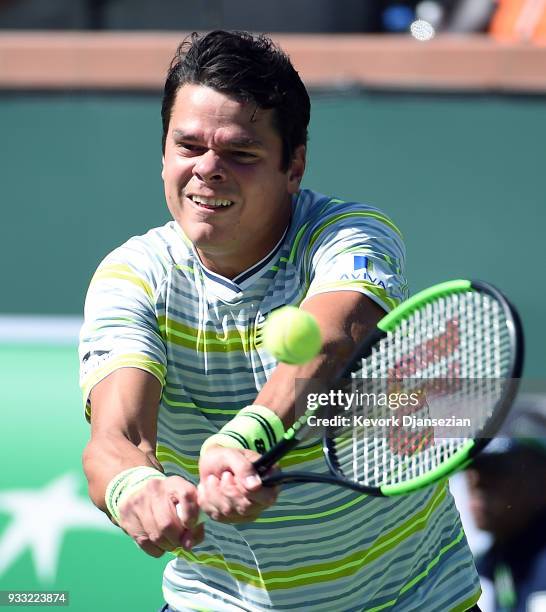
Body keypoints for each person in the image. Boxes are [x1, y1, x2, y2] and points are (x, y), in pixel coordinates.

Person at [79, 30, 481, 611]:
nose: (208, 170)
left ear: (294, 166)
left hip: (413, 598)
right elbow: (117, 439)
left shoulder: (348, 233)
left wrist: (247, 436)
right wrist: (136, 487)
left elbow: (336, 335)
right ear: (164, 152)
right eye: (188, 146)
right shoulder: (131, 276)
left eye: (240, 153)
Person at [465, 395, 546, 612]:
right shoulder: (476, 569)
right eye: (469, 467)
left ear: (541, 473)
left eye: (494, 467)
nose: (476, 480)